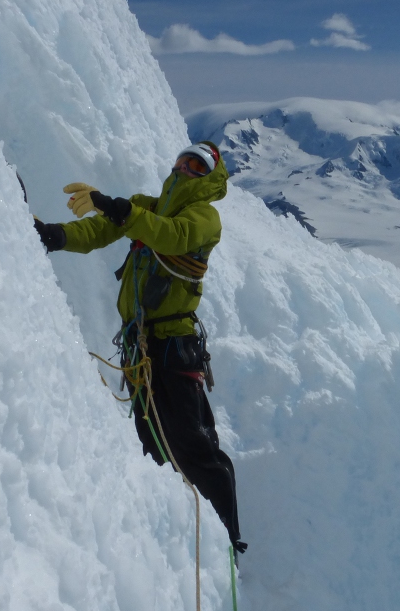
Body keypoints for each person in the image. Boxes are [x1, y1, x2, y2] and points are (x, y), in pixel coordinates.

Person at [33, 141, 245, 553]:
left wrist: (117, 208)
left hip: (173, 345)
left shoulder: (204, 217)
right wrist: (55, 236)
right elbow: (100, 230)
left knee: (193, 444)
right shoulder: (151, 208)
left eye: (197, 166)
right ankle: (176, 536)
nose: (185, 169)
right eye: (183, 161)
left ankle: (227, 540)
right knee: (151, 438)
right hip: (141, 346)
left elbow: (170, 236)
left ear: (210, 179)